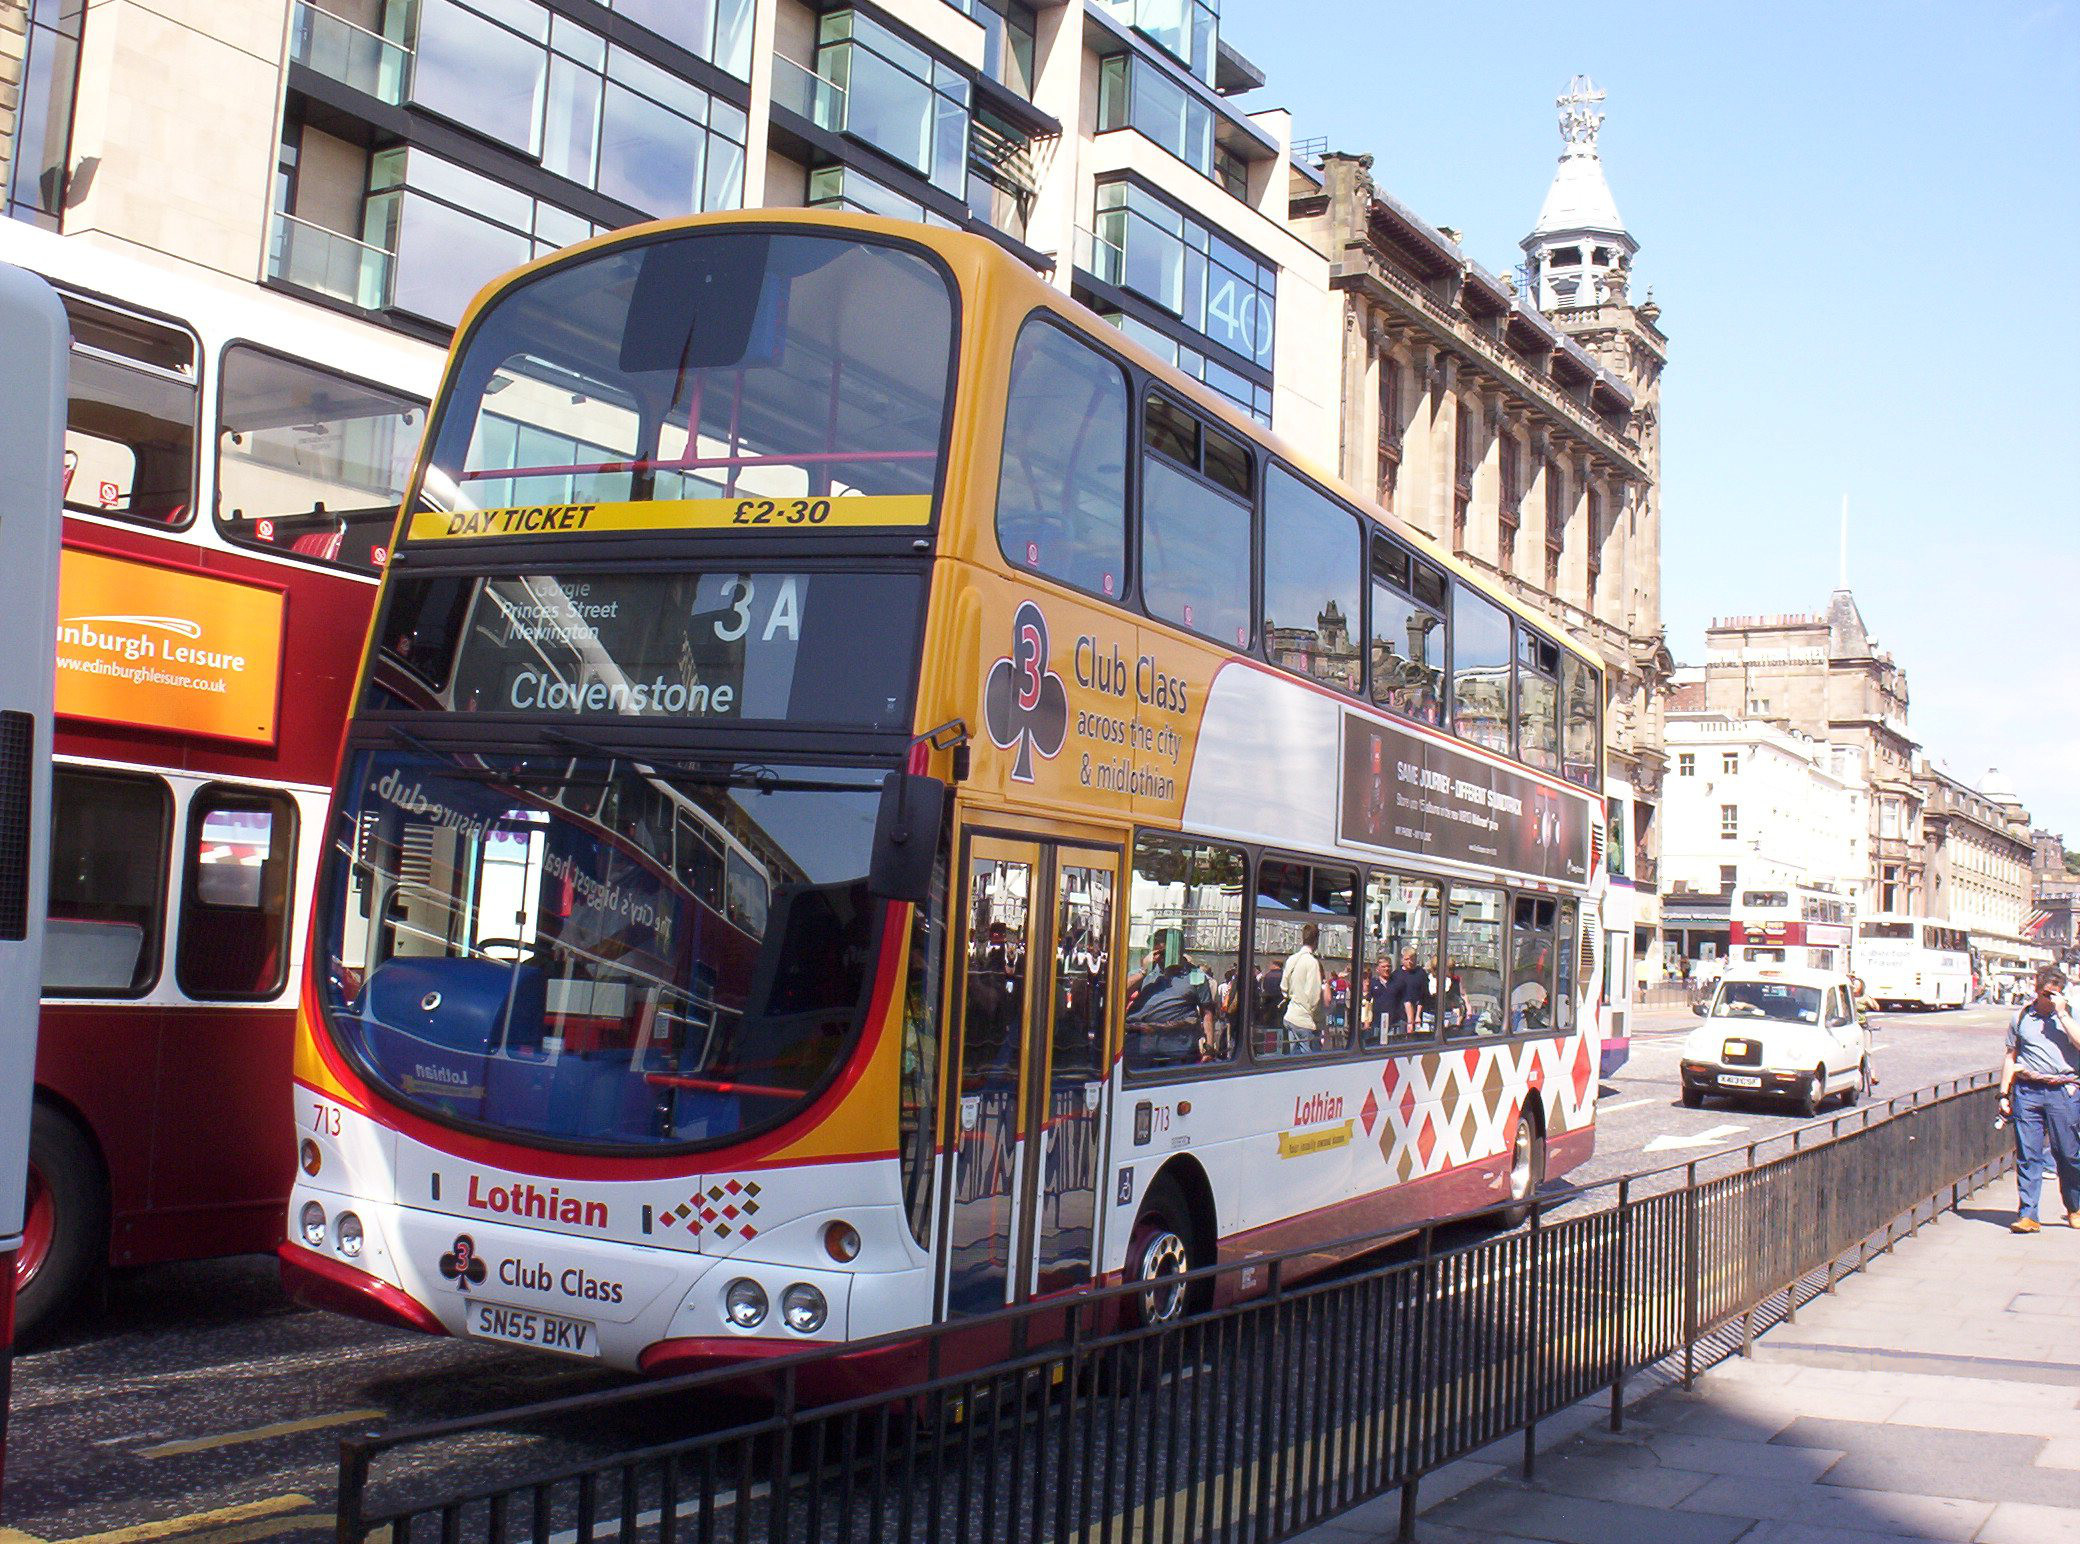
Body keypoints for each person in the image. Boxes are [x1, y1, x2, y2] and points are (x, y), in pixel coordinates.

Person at [1998, 967, 2080, 1233]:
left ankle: (2075, 1207)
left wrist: (2063, 1014)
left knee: (2067, 1153)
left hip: (2062, 1091)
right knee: (2028, 1154)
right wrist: (2003, 1094)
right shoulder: (2021, 1017)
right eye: (2047, 993)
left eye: (2057, 993)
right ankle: (2029, 1214)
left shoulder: (2070, 1015)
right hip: (2028, 1090)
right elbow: (2011, 1056)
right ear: (2037, 990)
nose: (2052, 998)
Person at [1123, 933, 1214, 1069]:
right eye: (1155, 953)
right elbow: (1118, 994)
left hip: (1176, 1046)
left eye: (1163, 953)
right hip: (1140, 1044)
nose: (1158, 957)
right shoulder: (1147, 972)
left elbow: (1207, 1012)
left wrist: (1209, 1046)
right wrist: (1143, 972)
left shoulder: (1195, 975)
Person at [1282, 924, 1324, 1054]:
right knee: (1309, 1062)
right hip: (1304, 1019)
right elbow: (1313, 996)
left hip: (1290, 1015)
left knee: (1293, 1059)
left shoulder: (1292, 959)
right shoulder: (1312, 962)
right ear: (1316, 940)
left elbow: (1284, 987)